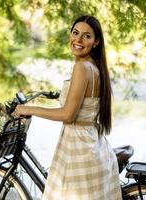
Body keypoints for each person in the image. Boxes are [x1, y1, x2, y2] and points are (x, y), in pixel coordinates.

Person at [14, 15, 122, 200]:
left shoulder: (82, 68)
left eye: (86, 36)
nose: (78, 40)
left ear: (96, 42)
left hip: (78, 150)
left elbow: (68, 115)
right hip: (93, 145)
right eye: (75, 33)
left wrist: (27, 109)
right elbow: (84, 100)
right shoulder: (96, 68)